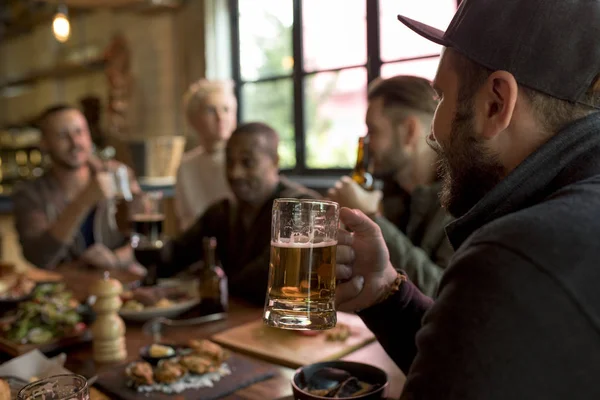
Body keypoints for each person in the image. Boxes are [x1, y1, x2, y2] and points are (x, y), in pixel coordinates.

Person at [335, 0, 600, 398]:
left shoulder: (515, 254)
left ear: (496, 103)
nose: (432, 133)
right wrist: (387, 295)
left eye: (440, 97)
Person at [159, 122, 320, 304]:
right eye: (229, 162)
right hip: (235, 324)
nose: (235, 173)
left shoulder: (302, 207)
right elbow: (172, 257)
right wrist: (139, 239)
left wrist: (198, 287)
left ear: (275, 161)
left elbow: (267, 280)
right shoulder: (222, 213)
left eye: (247, 162)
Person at [328, 76, 453, 296]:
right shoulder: (387, 192)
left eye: (373, 130)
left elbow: (442, 293)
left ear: (409, 131)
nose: (365, 143)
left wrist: (370, 218)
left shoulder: (462, 203)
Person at [12, 105, 142, 273]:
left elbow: (144, 238)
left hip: (120, 285)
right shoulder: (30, 194)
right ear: (44, 143)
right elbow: (40, 257)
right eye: (62, 135)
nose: (75, 142)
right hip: (64, 293)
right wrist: (83, 201)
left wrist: (116, 259)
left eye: (79, 132)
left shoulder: (118, 174)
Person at [174, 79, 237, 232]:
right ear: (193, 119)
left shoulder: (242, 163)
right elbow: (185, 221)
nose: (220, 117)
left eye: (226, 109)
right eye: (210, 110)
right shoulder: (185, 166)